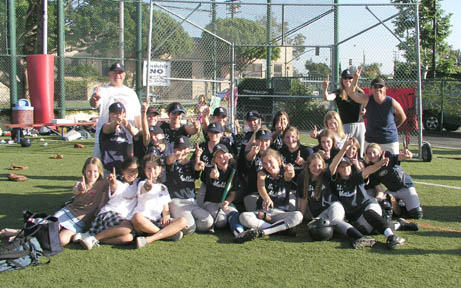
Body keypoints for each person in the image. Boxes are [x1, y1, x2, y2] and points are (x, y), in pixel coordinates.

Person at [329, 137, 406, 249]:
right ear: (338, 170)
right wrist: (344, 149)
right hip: (356, 215)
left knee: (369, 214)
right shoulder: (335, 181)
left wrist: (380, 164)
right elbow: (333, 165)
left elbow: (367, 171)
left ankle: (392, 237)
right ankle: (399, 224)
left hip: (368, 206)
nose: (345, 169)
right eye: (342, 167)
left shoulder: (355, 177)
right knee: (365, 230)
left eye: (347, 166)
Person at [297, 153, 377, 249]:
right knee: (315, 228)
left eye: (319, 165)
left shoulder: (325, 175)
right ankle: (351, 230)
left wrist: (344, 148)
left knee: (335, 221)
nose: (317, 168)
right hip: (320, 212)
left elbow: (335, 163)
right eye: (314, 165)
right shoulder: (303, 178)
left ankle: (360, 237)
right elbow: (303, 199)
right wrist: (301, 218)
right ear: (308, 166)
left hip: (333, 205)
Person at [239, 149, 303, 240]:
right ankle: (279, 229)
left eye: (270, 161)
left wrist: (291, 170)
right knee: (243, 217)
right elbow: (261, 186)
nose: (268, 166)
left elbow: (290, 175)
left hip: (279, 214)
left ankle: (264, 231)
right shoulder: (262, 173)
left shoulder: (284, 173)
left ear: (278, 161)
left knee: (298, 215)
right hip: (262, 213)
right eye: (264, 163)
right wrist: (266, 198)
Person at [200, 144, 259, 243]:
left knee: (234, 214)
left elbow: (233, 193)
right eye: (218, 157)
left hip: (225, 202)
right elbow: (209, 175)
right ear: (214, 159)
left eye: (224, 155)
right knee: (221, 222)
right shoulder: (209, 169)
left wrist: (227, 202)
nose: (222, 158)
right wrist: (213, 175)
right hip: (211, 203)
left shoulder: (233, 172)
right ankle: (230, 224)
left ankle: (239, 233)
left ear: (229, 156)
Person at [76, 158, 140, 250]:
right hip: (108, 215)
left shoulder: (138, 183)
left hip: (121, 220)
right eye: (129, 170)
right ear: (123, 170)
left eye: (135, 171)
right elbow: (114, 187)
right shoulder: (117, 182)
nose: (132, 173)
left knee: (128, 238)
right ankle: (94, 238)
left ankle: (93, 238)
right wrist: (112, 183)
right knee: (127, 227)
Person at [132, 154, 187, 249]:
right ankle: (167, 234)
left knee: (183, 221)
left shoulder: (163, 187)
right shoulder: (141, 183)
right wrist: (147, 186)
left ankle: (149, 239)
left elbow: (165, 206)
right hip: (142, 221)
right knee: (136, 217)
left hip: (157, 221)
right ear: (144, 170)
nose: (152, 171)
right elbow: (144, 190)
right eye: (148, 168)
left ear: (160, 170)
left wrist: (166, 215)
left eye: (155, 168)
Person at [347, 67, 407, 154]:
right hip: (371, 141)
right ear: (370, 89)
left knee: (392, 166)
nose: (377, 89)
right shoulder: (367, 99)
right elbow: (351, 93)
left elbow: (403, 117)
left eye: (380, 86)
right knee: (369, 165)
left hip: (389, 141)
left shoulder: (391, 102)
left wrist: (393, 128)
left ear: (385, 89)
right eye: (375, 87)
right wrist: (355, 78)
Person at [90, 62, 141, 159]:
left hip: (127, 138)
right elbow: (94, 104)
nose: (117, 75)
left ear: (124, 75)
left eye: (120, 73)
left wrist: (140, 132)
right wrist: (94, 100)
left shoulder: (131, 93)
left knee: (126, 168)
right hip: (105, 137)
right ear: (109, 74)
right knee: (99, 166)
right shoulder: (102, 90)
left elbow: (137, 116)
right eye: (114, 73)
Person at [53, 157, 108, 246]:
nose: (92, 174)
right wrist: (79, 188)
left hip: (80, 222)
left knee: (61, 240)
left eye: (95, 171)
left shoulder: (103, 183)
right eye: (89, 171)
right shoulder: (81, 182)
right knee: (50, 229)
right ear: (84, 171)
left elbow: (111, 190)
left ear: (100, 171)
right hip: (67, 213)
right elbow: (75, 190)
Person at [165, 136, 210, 234]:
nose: (182, 151)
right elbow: (168, 160)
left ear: (189, 149)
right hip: (177, 201)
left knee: (208, 222)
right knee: (189, 227)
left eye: (184, 148)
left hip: (191, 202)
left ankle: (178, 222)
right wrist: (176, 156)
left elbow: (196, 167)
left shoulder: (191, 163)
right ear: (174, 149)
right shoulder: (172, 162)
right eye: (179, 148)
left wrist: (198, 160)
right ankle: (170, 222)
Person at [365, 143, 423, 219]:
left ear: (379, 152)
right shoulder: (370, 169)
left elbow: (399, 157)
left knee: (416, 214)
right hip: (392, 191)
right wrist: (378, 198)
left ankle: (402, 204)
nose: (372, 155)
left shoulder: (387, 156)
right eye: (369, 153)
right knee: (384, 209)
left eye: (374, 152)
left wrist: (406, 155)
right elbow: (379, 190)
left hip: (405, 187)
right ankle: (399, 204)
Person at [323, 69, 366, 156]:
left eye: (350, 78)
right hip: (345, 126)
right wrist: (325, 89)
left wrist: (364, 110)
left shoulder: (359, 92)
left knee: (360, 152)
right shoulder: (338, 93)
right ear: (342, 80)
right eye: (345, 78)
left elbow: (365, 106)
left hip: (359, 125)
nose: (347, 80)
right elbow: (327, 97)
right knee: (345, 151)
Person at [99, 102, 138, 175]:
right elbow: (110, 128)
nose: (118, 116)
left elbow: (137, 134)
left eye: (120, 113)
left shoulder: (125, 129)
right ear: (110, 114)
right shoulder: (105, 126)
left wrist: (127, 125)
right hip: (110, 170)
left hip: (123, 169)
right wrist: (116, 123)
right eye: (115, 113)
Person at [278, 126, 313, 190]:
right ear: (284, 139)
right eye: (287, 137)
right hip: (286, 186)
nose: (290, 140)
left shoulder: (307, 151)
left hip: (304, 187)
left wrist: (304, 163)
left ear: (297, 137)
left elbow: (315, 169)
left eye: (293, 137)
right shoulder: (280, 152)